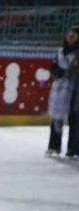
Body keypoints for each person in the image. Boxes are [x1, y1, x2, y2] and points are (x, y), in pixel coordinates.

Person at [46, 25, 79, 159]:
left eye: (74, 35)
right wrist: (61, 72)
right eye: (69, 35)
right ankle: (54, 146)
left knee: (76, 121)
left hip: (76, 91)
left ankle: (74, 149)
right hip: (60, 91)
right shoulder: (60, 52)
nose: (70, 37)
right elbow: (53, 69)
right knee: (56, 119)